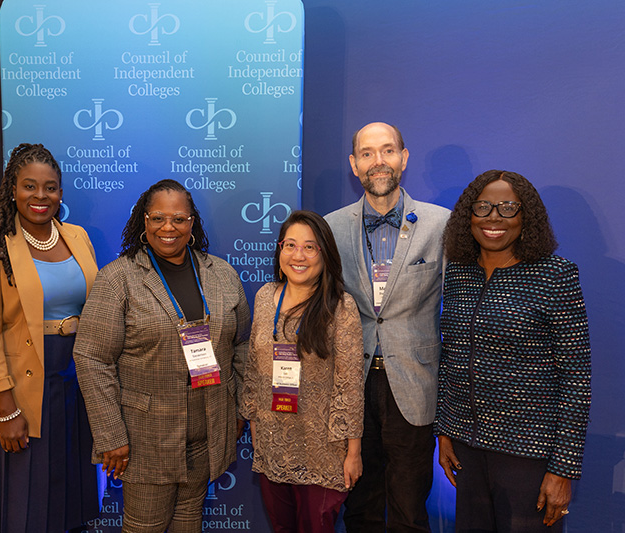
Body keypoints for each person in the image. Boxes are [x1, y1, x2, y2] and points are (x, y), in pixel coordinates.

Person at [73, 178, 250, 533]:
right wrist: (111, 437)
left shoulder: (223, 276)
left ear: (192, 223)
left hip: (207, 431)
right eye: (157, 218)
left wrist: (238, 409)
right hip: (145, 439)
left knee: (189, 522)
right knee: (144, 527)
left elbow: (242, 344)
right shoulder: (117, 279)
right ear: (144, 222)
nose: (168, 228)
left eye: (179, 219)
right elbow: (92, 359)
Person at [435, 170, 591, 532]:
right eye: (483, 207)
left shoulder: (555, 276)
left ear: (526, 217)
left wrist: (562, 469)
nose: (493, 217)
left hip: (529, 458)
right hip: (466, 452)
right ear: (467, 216)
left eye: (508, 208)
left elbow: (576, 380)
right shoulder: (459, 273)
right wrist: (445, 429)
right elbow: (452, 358)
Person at [0, 143, 99, 532]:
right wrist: (6, 411)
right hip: (21, 396)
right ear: (12, 189)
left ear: (60, 192)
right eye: (29, 186)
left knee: (70, 501)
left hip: (73, 388)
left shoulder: (76, 236)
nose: (40, 196)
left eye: (50, 187)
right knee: (25, 509)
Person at [324, 122, 450, 532]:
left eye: (388, 151)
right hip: (351, 384)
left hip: (413, 385)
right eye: (367, 153)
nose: (378, 161)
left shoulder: (440, 225)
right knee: (359, 507)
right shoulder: (330, 228)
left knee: (409, 509)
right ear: (353, 164)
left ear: (404, 157)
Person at [241, 210, 364, 533]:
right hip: (272, 445)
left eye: (310, 247)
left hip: (323, 449)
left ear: (325, 254)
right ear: (280, 249)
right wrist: (253, 421)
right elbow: (254, 367)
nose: (298, 255)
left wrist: (353, 452)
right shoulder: (265, 297)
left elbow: (350, 385)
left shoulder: (340, 306)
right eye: (290, 245)